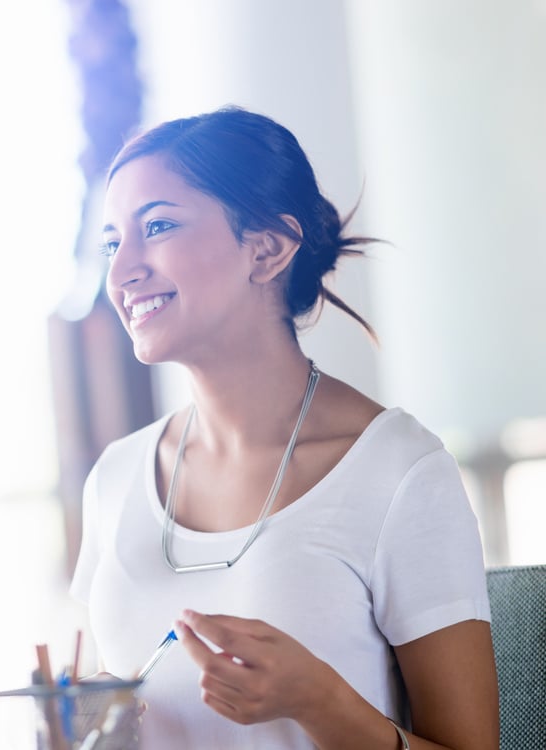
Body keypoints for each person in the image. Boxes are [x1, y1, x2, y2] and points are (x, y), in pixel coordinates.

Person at [69, 105, 499, 749]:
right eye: (111, 242)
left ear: (268, 249)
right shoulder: (116, 478)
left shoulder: (398, 471)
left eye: (157, 226)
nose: (121, 270)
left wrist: (319, 701)